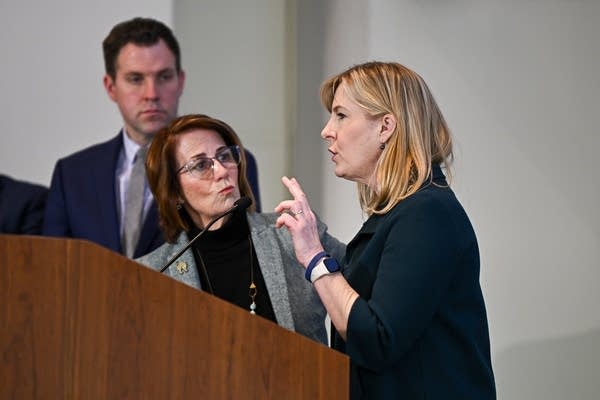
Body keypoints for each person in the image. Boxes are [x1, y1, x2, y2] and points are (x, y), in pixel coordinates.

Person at [275, 61, 496, 399]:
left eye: (341, 115)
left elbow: (377, 338)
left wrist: (315, 258)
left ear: (385, 127)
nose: (327, 131)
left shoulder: (427, 214)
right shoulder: (404, 213)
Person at [42, 17, 261, 259]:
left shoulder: (228, 163)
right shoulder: (72, 174)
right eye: (136, 79)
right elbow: (55, 270)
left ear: (181, 81)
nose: (151, 94)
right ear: (110, 87)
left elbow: (241, 256)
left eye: (164, 77)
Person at [135, 114, 344, 343]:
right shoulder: (153, 274)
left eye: (225, 156)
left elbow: (369, 288)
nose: (222, 171)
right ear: (174, 191)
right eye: (201, 165)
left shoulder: (290, 233)